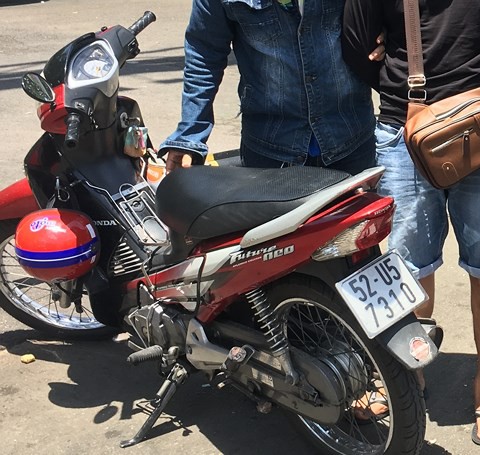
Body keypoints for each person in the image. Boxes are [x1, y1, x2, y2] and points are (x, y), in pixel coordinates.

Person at [342, 0, 480, 445]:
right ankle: (404, 376)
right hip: (405, 128)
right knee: (404, 268)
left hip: (477, 121)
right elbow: (356, 47)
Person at [159, 0, 383, 176]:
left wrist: (389, 31)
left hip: (350, 138)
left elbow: (391, 12)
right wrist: (190, 135)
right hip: (270, 150)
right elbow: (204, 53)